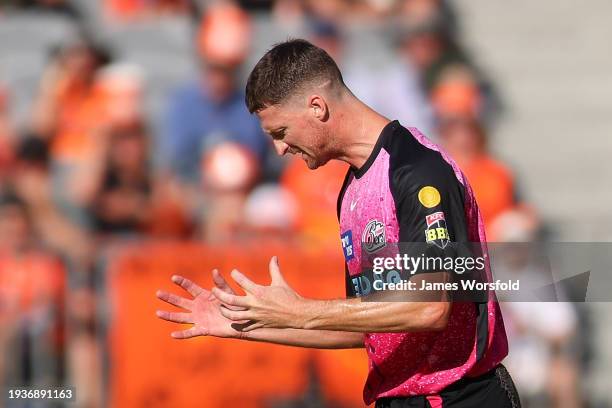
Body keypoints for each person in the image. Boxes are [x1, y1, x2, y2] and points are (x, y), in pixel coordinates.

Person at [156, 39, 519, 407]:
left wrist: (300, 310)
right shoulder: (353, 189)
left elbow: (430, 306)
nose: (280, 149)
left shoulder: (416, 170)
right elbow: (368, 329)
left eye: (281, 132)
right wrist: (249, 325)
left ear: (317, 107)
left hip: (461, 397)